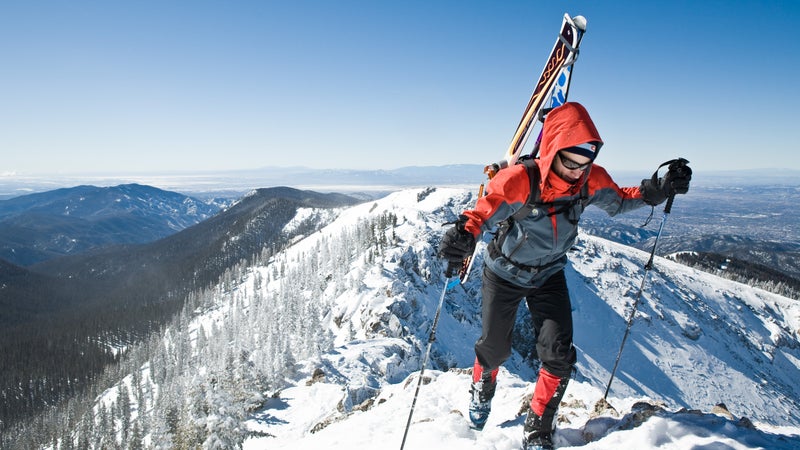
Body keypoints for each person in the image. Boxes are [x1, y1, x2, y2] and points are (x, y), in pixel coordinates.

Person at [437, 102, 691, 449]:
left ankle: (538, 428)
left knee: (558, 356)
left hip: (549, 274)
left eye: (583, 164)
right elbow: (484, 211)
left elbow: (619, 200)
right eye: (569, 162)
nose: (576, 172)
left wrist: (658, 190)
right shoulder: (520, 180)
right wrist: (465, 235)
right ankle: (482, 388)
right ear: (552, 151)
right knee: (494, 349)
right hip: (504, 274)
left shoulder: (589, 179)